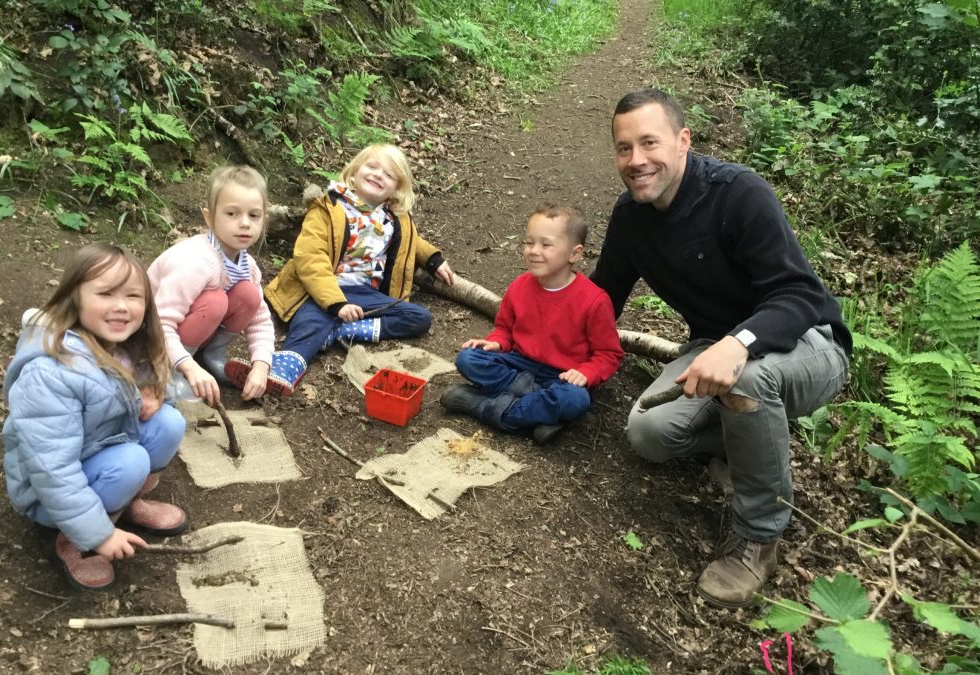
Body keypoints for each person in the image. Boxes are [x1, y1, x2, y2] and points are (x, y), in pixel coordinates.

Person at [590, 89, 852, 608]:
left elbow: (799, 294)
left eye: (649, 143)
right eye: (624, 148)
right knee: (648, 433)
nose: (636, 160)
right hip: (715, 346)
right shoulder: (631, 218)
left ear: (683, 141)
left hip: (809, 342)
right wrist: (538, 342)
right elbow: (602, 302)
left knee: (747, 378)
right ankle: (751, 438)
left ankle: (759, 538)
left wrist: (740, 343)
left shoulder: (737, 194)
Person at [2, 243, 188, 591]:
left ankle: (126, 504)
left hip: (103, 448)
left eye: (133, 296)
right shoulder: (50, 373)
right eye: (105, 293)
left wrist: (157, 391)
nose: (122, 306)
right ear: (74, 298)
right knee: (132, 461)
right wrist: (99, 536)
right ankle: (76, 539)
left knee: (169, 422)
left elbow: (163, 387)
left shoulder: (129, 344)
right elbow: (52, 468)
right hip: (47, 493)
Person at [264, 143, 455, 396]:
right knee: (311, 321)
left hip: (364, 293)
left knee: (418, 318)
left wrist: (433, 260)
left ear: (396, 188)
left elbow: (411, 241)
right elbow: (310, 259)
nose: (378, 175)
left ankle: (341, 330)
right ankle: (285, 368)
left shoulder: (393, 218)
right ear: (354, 172)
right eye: (372, 167)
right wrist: (336, 304)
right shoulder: (328, 209)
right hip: (322, 289)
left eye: (388, 174)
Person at [440, 202, 625, 444]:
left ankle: (480, 405)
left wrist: (586, 373)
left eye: (546, 245)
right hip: (519, 365)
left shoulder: (594, 301)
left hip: (561, 376)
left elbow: (609, 354)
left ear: (575, 254)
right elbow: (505, 329)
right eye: (529, 242)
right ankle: (537, 411)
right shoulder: (519, 286)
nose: (534, 251)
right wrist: (496, 343)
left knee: (575, 399)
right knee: (468, 357)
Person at [147, 165, 276, 404]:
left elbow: (260, 320)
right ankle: (172, 373)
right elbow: (159, 323)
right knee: (215, 302)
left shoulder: (248, 265)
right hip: (152, 341)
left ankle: (211, 355)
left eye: (254, 215)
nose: (245, 223)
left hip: (190, 333)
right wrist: (186, 365)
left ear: (264, 220)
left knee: (249, 295)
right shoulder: (195, 261)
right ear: (209, 217)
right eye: (232, 214)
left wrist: (261, 366)